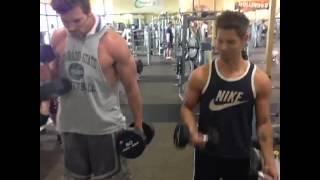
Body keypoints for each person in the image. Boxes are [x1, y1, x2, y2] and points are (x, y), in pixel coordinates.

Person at [48, 0, 144, 179]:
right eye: (65, 21)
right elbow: (54, 81)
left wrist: (139, 125)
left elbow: (132, 88)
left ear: (89, 12)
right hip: (70, 128)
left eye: (77, 21)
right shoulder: (58, 38)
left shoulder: (112, 42)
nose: (71, 27)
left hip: (105, 129)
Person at [180, 11, 278, 180]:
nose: (223, 47)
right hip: (207, 156)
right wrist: (192, 130)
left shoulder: (258, 80)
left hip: (240, 156)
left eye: (230, 42)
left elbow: (263, 123)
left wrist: (269, 159)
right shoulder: (201, 76)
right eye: (220, 40)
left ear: (245, 39)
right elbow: (187, 107)